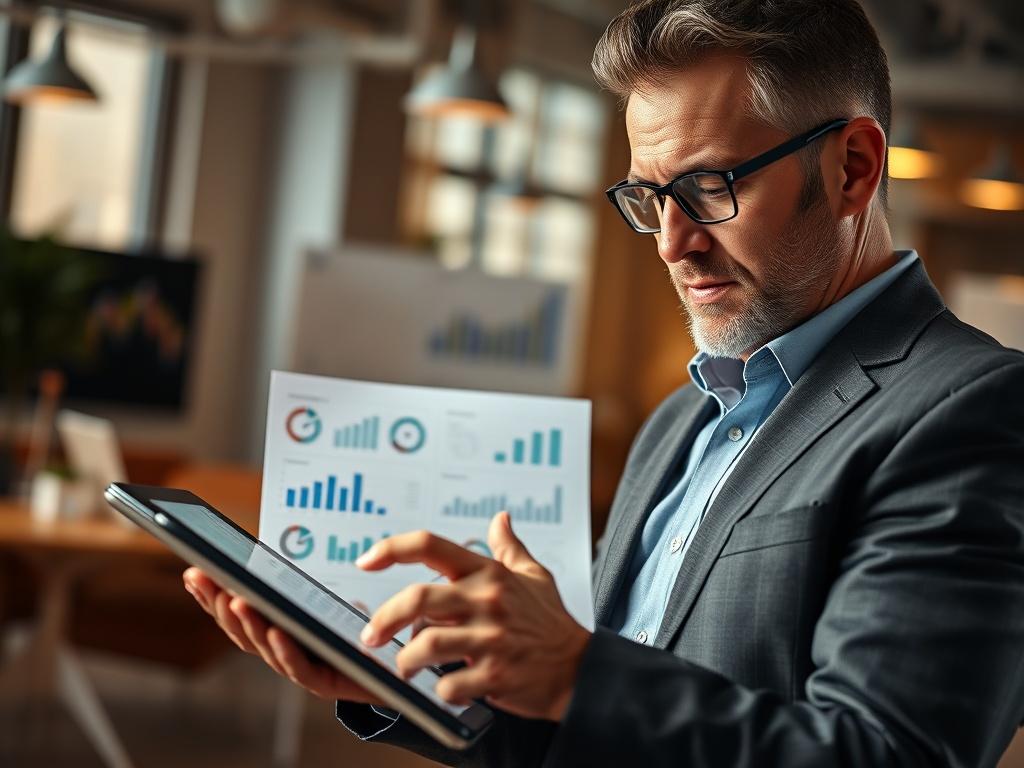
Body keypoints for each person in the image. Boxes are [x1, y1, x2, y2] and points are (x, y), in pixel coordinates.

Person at [185, 1, 1024, 765]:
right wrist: (406, 682)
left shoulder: (971, 411)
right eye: (651, 196)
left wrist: (575, 673)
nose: (672, 243)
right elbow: (588, 734)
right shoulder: (680, 422)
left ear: (853, 168)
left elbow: (888, 755)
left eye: (708, 187)